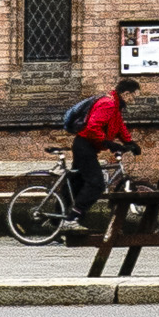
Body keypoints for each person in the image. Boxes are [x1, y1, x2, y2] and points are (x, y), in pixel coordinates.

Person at [61, 73, 139, 239]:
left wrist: (130, 142)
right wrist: (109, 144)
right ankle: (71, 219)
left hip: (87, 146)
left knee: (76, 184)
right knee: (96, 183)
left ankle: (55, 222)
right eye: (134, 96)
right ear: (126, 94)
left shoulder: (115, 106)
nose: (135, 100)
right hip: (84, 146)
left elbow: (118, 126)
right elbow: (92, 128)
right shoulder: (108, 104)